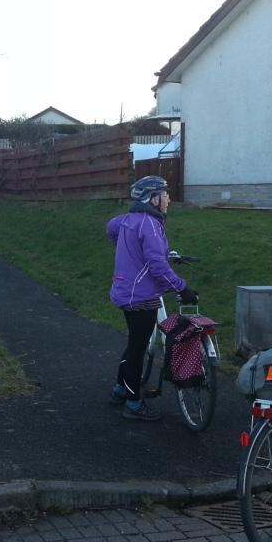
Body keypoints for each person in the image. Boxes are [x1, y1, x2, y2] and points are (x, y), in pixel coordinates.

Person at [106, 175, 197, 421]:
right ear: (153, 199)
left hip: (125, 290)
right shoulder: (150, 224)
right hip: (141, 296)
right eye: (165, 194)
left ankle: (119, 389)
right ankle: (134, 403)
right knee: (137, 347)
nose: (168, 198)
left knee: (135, 342)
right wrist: (181, 287)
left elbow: (111, 228)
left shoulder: (127, 219)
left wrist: (128, 253)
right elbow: (157, 265)